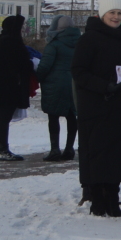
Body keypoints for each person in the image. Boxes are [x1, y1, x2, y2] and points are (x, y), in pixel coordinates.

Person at [70, 0, 121, 216]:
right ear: (102, 14)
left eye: (120, 13)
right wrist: (104, 86)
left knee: (117, 154)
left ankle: (113, 198)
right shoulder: (89, 39)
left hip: (120, 108)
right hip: (96, 107)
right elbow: (79, 71)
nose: (116, 17)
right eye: (112, 13)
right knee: (99, 154)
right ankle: (98, 200)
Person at [0, 15, 33, 161]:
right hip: (7, 86)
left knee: (2, 118)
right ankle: (2, 150)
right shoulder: (10, 41)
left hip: (3, 86)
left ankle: (2, 149)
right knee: (2, 118)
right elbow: (20, 62)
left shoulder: (5, 39)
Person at [36, 15, 80, 161]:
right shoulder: (80, 43)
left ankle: (55, 150)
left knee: (53, 116)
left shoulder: (54, 44)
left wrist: (37, 78)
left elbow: (45, 66)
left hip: (55, 84)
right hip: (74, 83)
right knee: (71, 116)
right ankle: (69, 149)